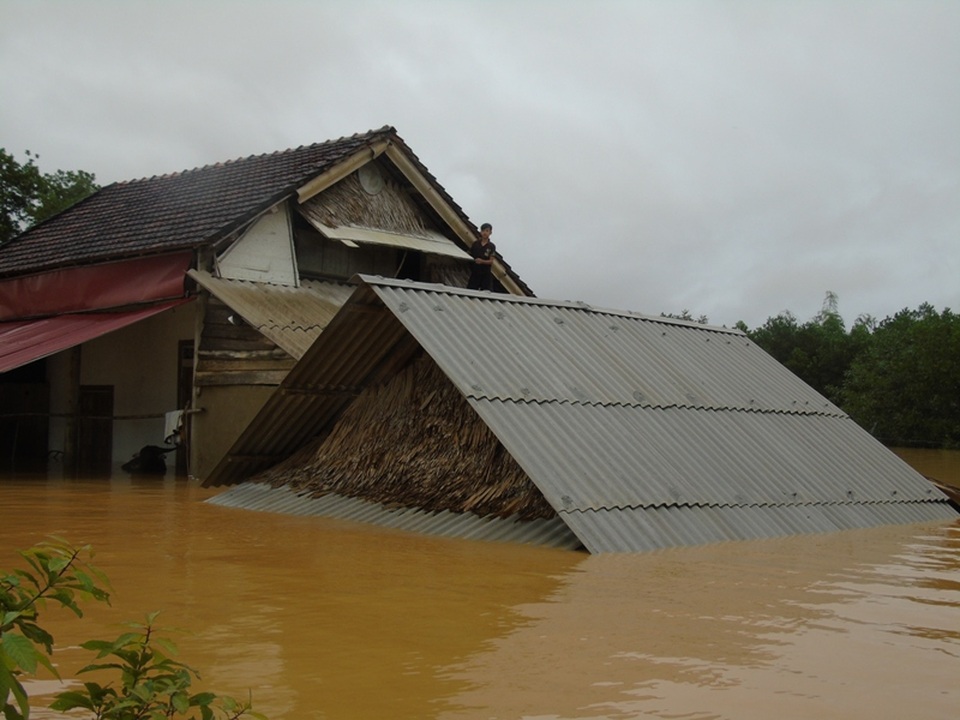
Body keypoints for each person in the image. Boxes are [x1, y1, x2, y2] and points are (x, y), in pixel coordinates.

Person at [467, 222, 496, 291]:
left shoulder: (491, 246)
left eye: (487, 231)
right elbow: (469, 255)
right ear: (480, 232)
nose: (484, 233)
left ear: (490, 232)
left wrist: (482, 261)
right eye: (483, 231)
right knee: (471, 291)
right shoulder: (475, 244)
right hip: (475, 272)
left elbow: (491, 261)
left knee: (486, 293)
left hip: (485, 274)